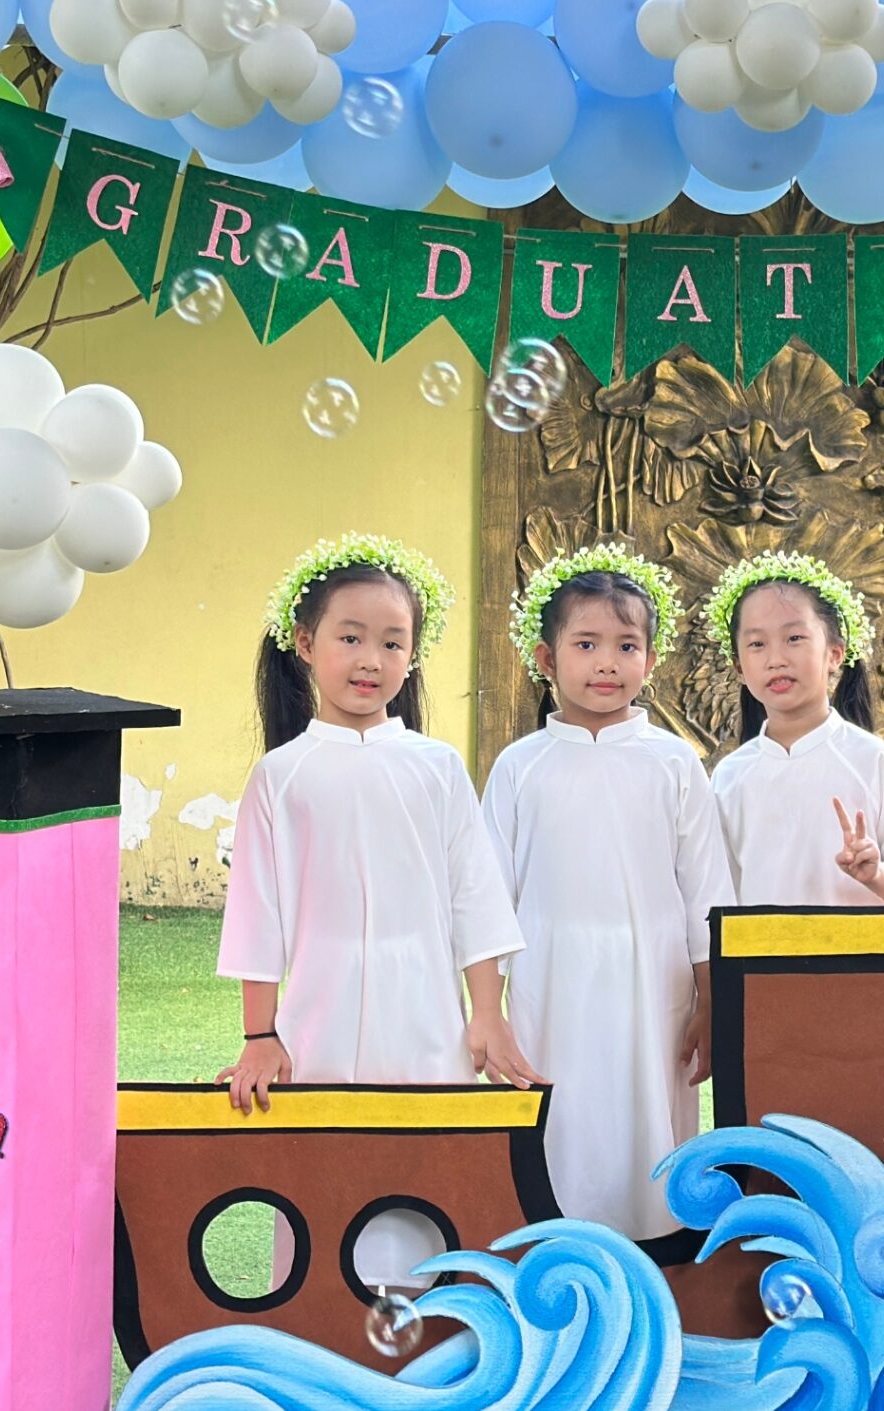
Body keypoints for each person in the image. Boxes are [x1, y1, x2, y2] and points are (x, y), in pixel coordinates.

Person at [214, 533, 538, 1285]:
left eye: (392, 642)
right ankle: (319, 1329)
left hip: (426, 1017)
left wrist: (486, 1014)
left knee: (427, 1179)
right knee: (324, 1183)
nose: (371, 659)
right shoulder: (280, 776)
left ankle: (436, 1328)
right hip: (318, 1021)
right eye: (351, 637)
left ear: (412, 657)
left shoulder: (437, 767)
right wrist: (261, 1035)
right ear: (305, 643)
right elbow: (258, 915)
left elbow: (475, 898)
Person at [482, 544, 733, 1240]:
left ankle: (658, 1258)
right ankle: (555, 1251)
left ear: (650, 660)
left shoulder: (674, 763)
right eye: (586, 643)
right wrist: (488, 1012)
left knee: (649, 1130)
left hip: (655, 988)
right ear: (546, 657)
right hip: (550, 984)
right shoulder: (519, 767)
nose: (607, 663)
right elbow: (487, 899)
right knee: (558, 1131)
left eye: (626, 646)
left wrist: (710, 1003)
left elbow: (705, 896)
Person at [705, 552, 884, 907]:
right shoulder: (730, 776)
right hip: (763, 945)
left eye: (794, 638)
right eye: (757, 644)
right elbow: (718, 891)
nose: (776, 659)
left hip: (855, 945)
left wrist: (875, 874)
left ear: (835, 654)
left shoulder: (871, 759)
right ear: (739, 667)